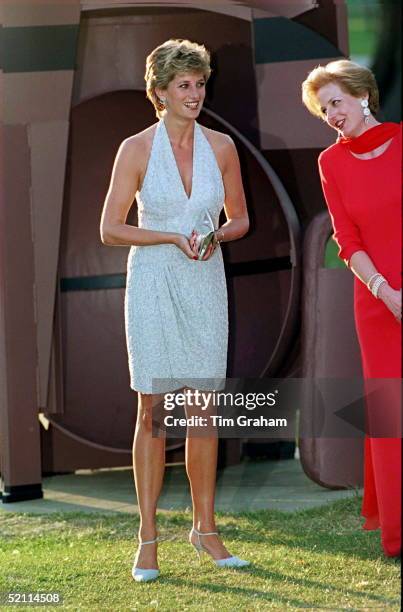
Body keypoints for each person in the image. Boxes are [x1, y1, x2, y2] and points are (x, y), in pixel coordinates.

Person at [100, 39, 250, 581]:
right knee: (154, 412)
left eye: (200, 83)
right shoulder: (135, 149)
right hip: (154, 283)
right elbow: (110, 228)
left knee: (204, 412)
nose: (194, 93)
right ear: (159, 92)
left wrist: (216, 235)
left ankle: (205, 530)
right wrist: (169, 237)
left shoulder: (224, 147)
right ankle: (147, 538)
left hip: (206, 282)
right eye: (183, 85)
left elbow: (240, 219)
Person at [302, 60, 401, 557]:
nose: (331, 115)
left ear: (362, 95)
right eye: (324, 110)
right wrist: (386, 293)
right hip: (377, 301)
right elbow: (347, 238)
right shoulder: (331, 164)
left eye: (335, 102)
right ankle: (399, 532)